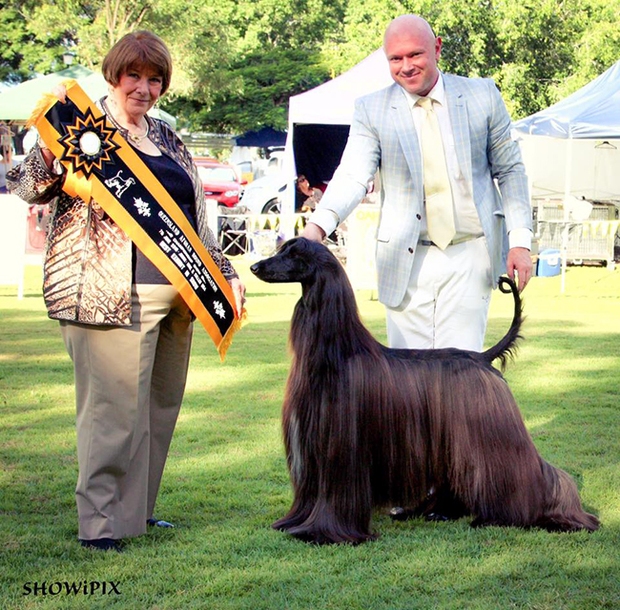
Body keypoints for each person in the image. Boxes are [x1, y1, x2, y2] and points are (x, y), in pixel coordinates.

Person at [7, 30, 245, 552]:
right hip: (103, 292)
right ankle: (99, 524)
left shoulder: (167, 137)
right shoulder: (79, 130)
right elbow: (27, 186)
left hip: (179, 294)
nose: (144, 87)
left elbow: (195, 218)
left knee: (157, 412)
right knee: (110, 416)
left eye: (154, 78)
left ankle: (136, 513)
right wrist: (48, 158)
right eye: (134, 75)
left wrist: (223, 269)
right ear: (114, 75)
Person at [302, 14, 533, 352]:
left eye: (415, 55)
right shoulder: (371, 109)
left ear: (437, 48)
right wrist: (317, 228)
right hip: (405, 260)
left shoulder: (482, 95)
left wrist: (521, 242)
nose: (406, 66)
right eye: (396, 58)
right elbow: (353, 173)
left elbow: (510, 169)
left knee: (460, 379)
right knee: (406, 389)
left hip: (470, 254)